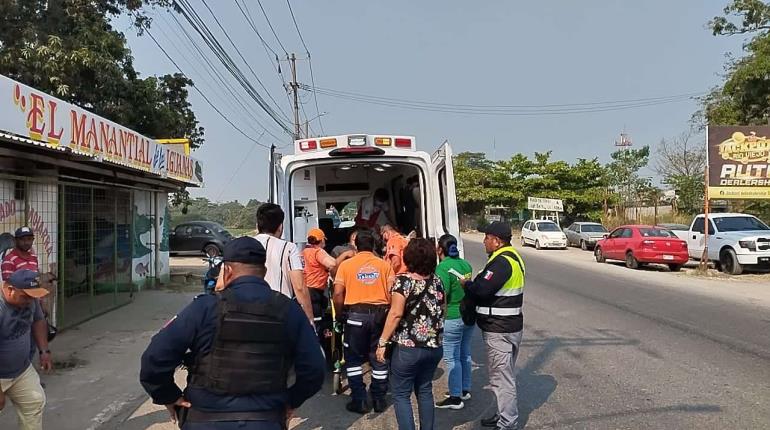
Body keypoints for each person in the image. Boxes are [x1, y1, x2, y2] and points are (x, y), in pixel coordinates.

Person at [140, 237, 325, 429]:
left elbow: (155, 359)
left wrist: (168, 395)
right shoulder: (289, 310)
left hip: (203, 419)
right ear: (264, 272)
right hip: (265, 420)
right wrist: (292, 400)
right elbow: (315, 368)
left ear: (226, 270)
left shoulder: (204, 308)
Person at [376, 238, 445, 430]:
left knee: (401, 394)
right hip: (433, 346)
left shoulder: (403, 282)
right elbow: (443, 310)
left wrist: (382, 342)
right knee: (424, 390)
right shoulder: (437, 281)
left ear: (408, 258)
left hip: (408, 348)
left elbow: (396, 313)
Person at [463, 222, 526, 430]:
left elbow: (481, 290)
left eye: (487, 238)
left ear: (497, 241)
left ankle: (507, 423)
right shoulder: (514, 257)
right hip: (510, 326)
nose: (484, 242)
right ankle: (502, 415)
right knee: (502, 376)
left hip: (500, 329)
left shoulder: (501, 263)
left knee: (501, 379)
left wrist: (467, 284)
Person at [332, 229, 394, 414]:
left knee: (352, 359)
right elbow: (392, 292)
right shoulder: (384, 265)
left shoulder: (346, 266)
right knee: (379, 357)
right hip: (379, 317)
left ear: (355, 246)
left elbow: (337, 294)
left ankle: (359, 399)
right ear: (374, 245)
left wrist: (340, 314)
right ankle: (379, 398)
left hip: (355, 317)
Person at [1, 269, 53, 430]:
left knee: (34, 402)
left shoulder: (30, 299)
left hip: (21, 370)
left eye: (33, 297)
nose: (30, 301)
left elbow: (38, 321)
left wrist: (44, 351)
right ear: (10, 290)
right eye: (26, 297)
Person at [255, 203, 314, 324]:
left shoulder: (244, 245)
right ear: (280, 227)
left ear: (257, 225)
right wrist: (310, 320)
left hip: (250, 311)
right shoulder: (289, 248)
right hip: (280, 311)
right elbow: (299, 287)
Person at [434, 234, 474, 410]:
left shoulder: (443, 268)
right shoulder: (465, 264)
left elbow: (442, 295)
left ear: (439, 249)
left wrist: (437, 318)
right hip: (468, 315)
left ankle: (456, 397)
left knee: (451, 357)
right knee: (464, 354)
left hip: (452, 316)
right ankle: (464, 389)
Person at [302, 228, 337, 333]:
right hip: (315, 293)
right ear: (321, 240)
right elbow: (332, 264)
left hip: (304, 291)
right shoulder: (318, 252)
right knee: (317, 325)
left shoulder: (303, 252)